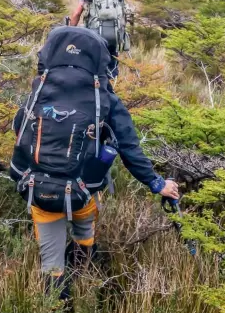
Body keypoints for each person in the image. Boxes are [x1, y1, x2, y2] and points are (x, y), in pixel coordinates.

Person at [10, 25, 179, 298]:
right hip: (83, 189)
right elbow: (129, 149)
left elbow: (19, 128)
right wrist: (158, 184)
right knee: (84, 227)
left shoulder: (40, 89)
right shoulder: (106, 100)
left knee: (51, 262)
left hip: (37, 188)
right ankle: (82, 268)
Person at [70, 0, 130, 79]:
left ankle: (94, 88)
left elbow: (77, 13)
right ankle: (111, 85)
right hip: (115, 33)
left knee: (92, 64)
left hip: (94, 34)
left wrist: (69, 31)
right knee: (112, 62)